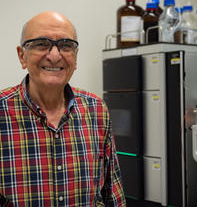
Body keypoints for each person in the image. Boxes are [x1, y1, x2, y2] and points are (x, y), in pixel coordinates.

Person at [0, 11, 126, 207]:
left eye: (66, 46)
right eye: (41, 44)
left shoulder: (96, 110)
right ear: (21, 56)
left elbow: (113, 194)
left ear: (75, 57)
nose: (55, 55)